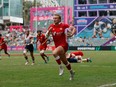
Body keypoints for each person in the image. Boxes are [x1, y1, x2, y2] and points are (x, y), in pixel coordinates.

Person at [46, 14, 76, 80]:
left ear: (59, 19)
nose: (54, 19)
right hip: (57, 46)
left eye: (56, 18)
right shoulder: (51, 26)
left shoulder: (64, 25)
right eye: (54, 18)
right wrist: (48, 32)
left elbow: (73, 28)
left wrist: (71, 34)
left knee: (54, 53)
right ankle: (72, 73)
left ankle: (60, 67)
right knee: (65, 62)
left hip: (64, 45)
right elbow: (47, 36)